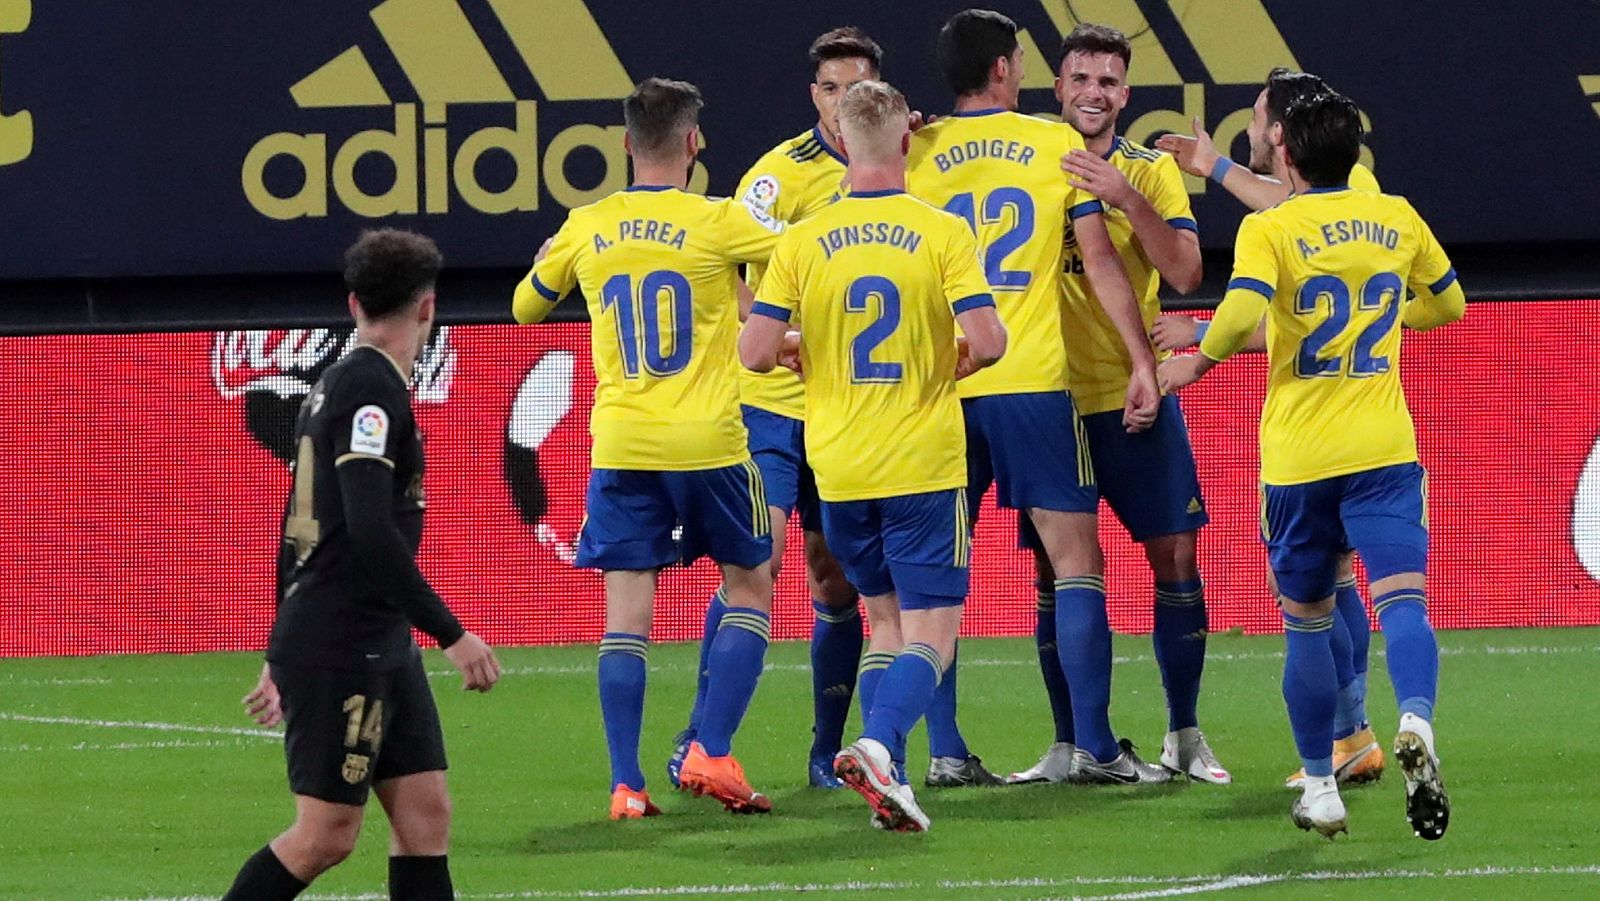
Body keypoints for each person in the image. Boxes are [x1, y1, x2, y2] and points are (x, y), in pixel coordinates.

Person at [1159, 89, 1463, 839]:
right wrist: (1392, 319)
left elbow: (1237, 314)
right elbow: (1450, 304)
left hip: (1299, 459)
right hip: (1384, 450)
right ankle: (1415, 720)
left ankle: (1322, 783)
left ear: (1285, 152)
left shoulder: (1275, 226)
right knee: (1405, 605)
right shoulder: (1396, 215)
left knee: (1305, 621)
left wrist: (1197, 361)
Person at [740, 79, 1007, 831]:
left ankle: (885, 781)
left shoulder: (800, 239)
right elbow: (988, 342)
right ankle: (882, 745)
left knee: (885, 624)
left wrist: (802, 346)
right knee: (935, 635)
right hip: (921, 461)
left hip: (840, 466)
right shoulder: (941, 229)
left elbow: (754, 353)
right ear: (902, 141)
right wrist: (951, 356)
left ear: (845, 143)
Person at [909, 8, 1167, 786]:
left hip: (940, 389)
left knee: (932, 575)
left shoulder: (913, 150)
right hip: (1030, 384)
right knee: (1074, 561)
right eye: (1019, 60)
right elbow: (1099, 260)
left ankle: (945, 750)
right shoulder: (1052, 144)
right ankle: (1093, 745)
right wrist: (1140, 360)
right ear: (1001, 70)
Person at [513, 77, 783, 819]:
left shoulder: (587, 223)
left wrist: (551, 258)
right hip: (709, 444)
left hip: (623, 443)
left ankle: (626, 784)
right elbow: (804, 259)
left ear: (626, 144)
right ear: (695, 142)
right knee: (750, 584)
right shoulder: (720, 221)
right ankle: (713, 750)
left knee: (626, 617)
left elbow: (525, 307)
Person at [220, 228, 502, 901]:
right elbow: (373, 532)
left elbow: (297, 524)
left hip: (373, 638)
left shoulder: (339, 383)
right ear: (428, 308)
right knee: (326, 833)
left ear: (353, 304)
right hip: (342, 639)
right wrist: (452, 632)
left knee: (425, 813)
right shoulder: (370, 390)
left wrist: (277, 640)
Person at [1154, 69, 1390, 790]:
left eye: (1258, 120)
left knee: (1309, 595)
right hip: (1370, 434)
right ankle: (1357, 733)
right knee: (1340, 582)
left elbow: (1284, 295)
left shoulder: (1293, 220)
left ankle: (1343, 741)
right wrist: (1215, 166)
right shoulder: (1362, 202)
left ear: (1283, 136)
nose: (1250, 130)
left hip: (1313, 439)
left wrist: (1197, 341)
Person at [1006, 23, 1227, 786]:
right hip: (1044, 398)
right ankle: (1069, 743)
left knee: (1176, 555)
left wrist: (1125, 195)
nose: (1094, 93)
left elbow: (1188, 271)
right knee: (1052, 572)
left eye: (1108, 82)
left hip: (1133, 393)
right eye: (1081, 79)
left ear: (1125, 95)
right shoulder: (1025, 161)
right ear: (1057, 87)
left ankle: (1184, 732)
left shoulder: (1149, 171)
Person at [670, 26, 880, 793]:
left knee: (837, 582)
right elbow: (730, 265)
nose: (842, 102)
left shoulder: (899, 167)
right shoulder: (777, 176)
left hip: (848, 405)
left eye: (857, 88)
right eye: (830, 88)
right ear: (814, 96)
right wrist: (776, 330)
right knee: (757, 562)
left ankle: (827, 754)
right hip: (769, 406)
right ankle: (697, 739)